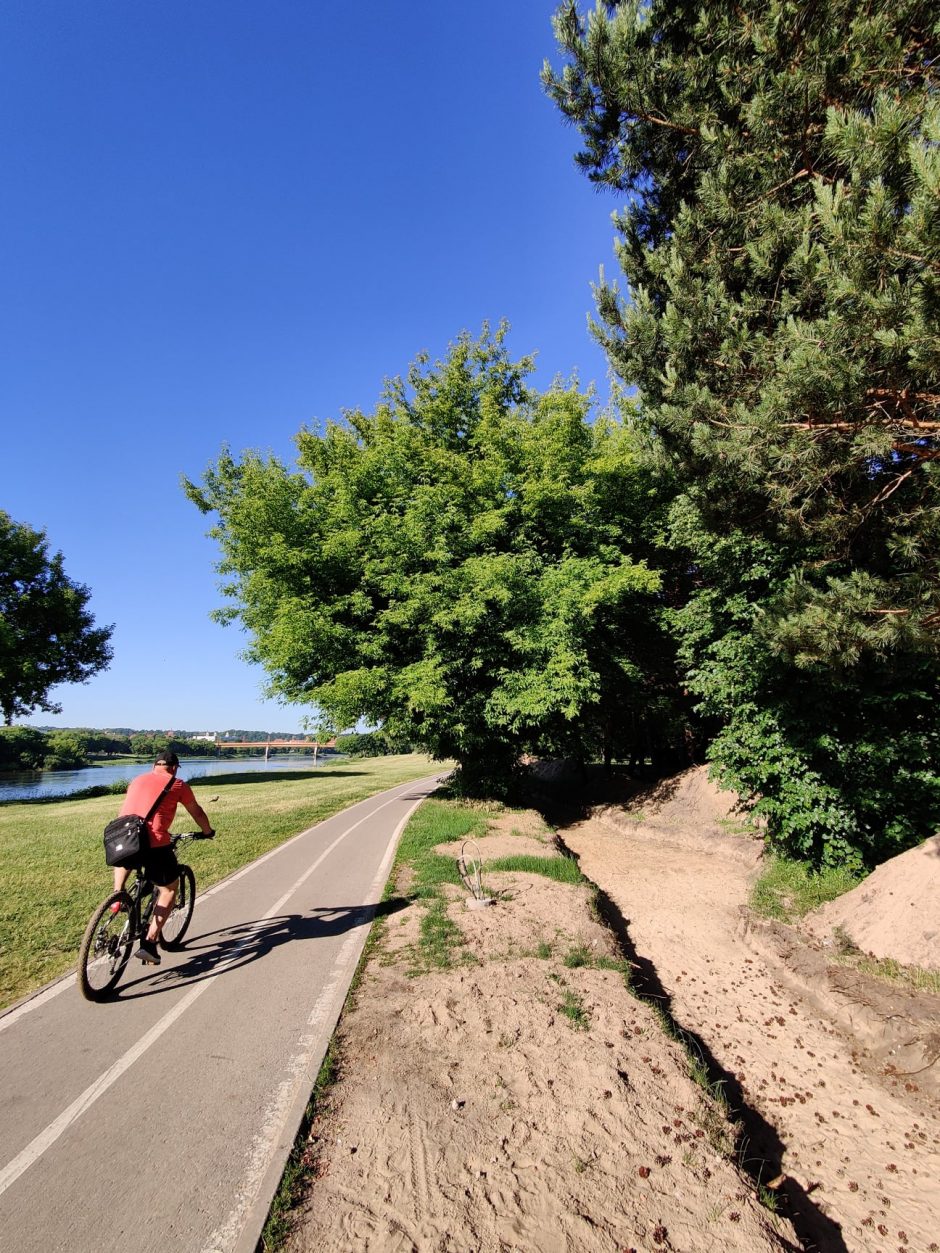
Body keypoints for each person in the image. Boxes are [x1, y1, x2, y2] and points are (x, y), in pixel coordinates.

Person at [112, 749, 214, 964]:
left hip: (124, 835)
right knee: (168, 889)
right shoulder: (177, 785)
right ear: (175, 768)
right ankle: (149, 942)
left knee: (129, 856)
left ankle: (117, 895)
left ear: (153, 766)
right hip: (156, 842)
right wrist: (207, 831)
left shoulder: (137, 780)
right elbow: (196, 811)